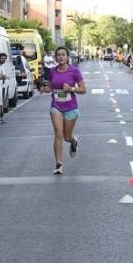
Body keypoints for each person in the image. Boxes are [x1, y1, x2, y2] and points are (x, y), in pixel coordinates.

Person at [40, 46, 86, 174]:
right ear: (55, 57)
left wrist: (71, 89)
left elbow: (83, 89)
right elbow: (50, 87)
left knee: (66, 137)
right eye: (58, 55)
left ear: (67, 57)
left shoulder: (74, 71)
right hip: (56, 106)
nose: (60, 57)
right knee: (58, 133)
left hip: (71, 107)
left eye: (63, 55)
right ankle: (59, 163)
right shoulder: (52, 71)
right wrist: (44, 90)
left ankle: (73, 141)